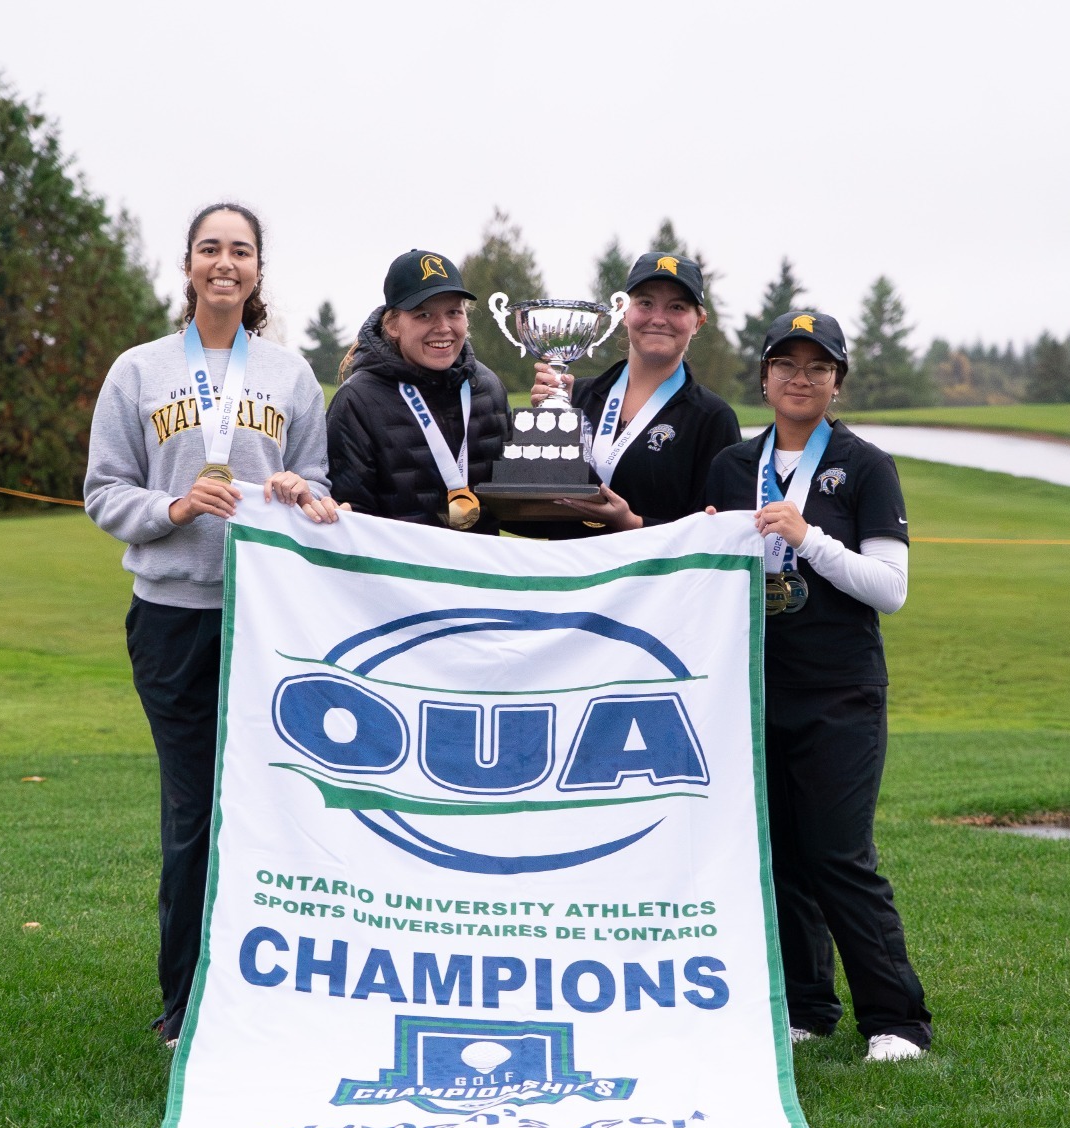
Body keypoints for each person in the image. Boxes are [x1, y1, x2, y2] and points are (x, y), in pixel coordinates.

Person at [84, 202, 339, 1049]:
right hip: (174, 621)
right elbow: (102, 491)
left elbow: (320, 487)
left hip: (269, 626)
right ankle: (185, 1002)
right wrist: (174, 504)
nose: (224, 263)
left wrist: (305, 493)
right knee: (194, 814)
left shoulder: (292, 375)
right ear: (188, 265)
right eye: (209, 249)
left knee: (275, 807)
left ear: (259, 270)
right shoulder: (140, 370)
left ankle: (268, 992)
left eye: (240, 251)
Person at [705, 309, 932, 1062]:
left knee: (838, 854)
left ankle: (897, 1019)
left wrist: (808, 537)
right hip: (756, 686)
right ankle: (807, 1006)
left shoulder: (865, 466)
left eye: (817, 367)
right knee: (782, 854)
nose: (801, 379)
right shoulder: (733, 465)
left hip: (840, 691)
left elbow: (890, 588)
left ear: (838, 381)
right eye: (786, 365)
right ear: (764, 376)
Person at [527, 251, 740, 535]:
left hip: (654, 579)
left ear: (698, 321)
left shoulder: (712, 418)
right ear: (624, 313)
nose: (659, 319)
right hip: (571, 574)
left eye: (677, 307)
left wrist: (634, 524)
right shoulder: (577, 398)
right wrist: (543, 427)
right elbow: (535, 507)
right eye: (645, 303)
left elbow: (717, 535)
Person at [326, 249, 513, 532]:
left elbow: (519, 501)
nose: (443, 328)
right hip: (400, 574)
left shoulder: (487, 387)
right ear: (392, 325)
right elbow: (351, 518)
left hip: (482, 573)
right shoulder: (358, 400)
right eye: (423, 314)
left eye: (454, 312)